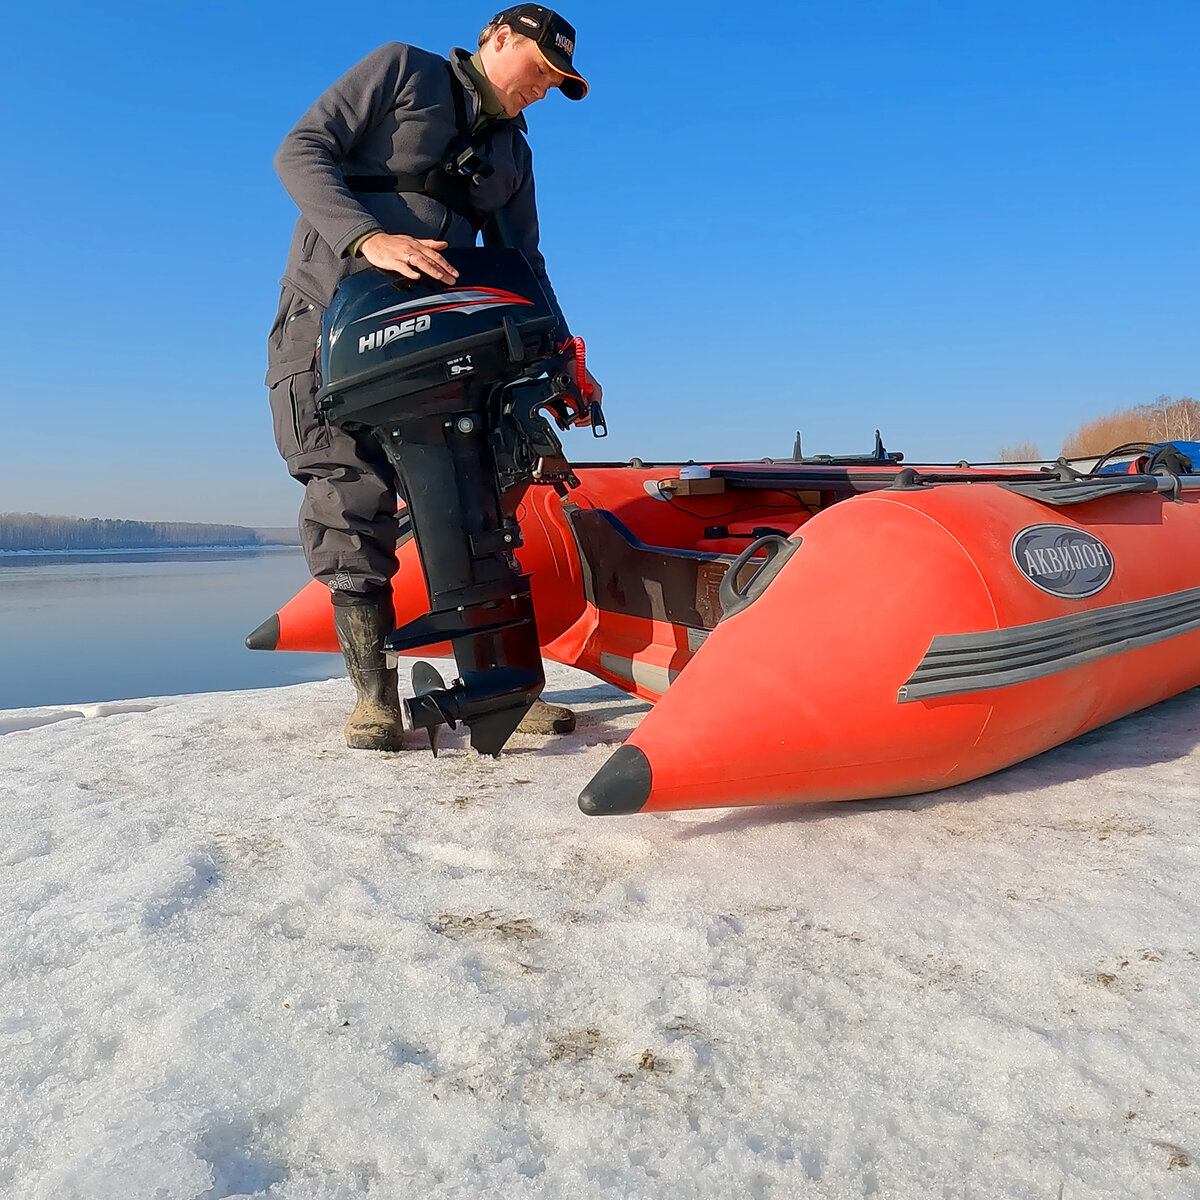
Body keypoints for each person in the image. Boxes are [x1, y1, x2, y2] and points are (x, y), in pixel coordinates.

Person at [266, 6, 597, 751]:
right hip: (330, 322)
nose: (544, 88)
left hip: (444, 346)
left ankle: (498, 682)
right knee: (348, 495)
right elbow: (300, 150)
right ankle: (374, 698)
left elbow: (524, 262)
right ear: (499, 38)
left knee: (477, 504)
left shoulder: (512, 151)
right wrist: (368, 237)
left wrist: (565, 357)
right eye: (541, 70)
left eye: (558, 82)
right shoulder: (401, 70)